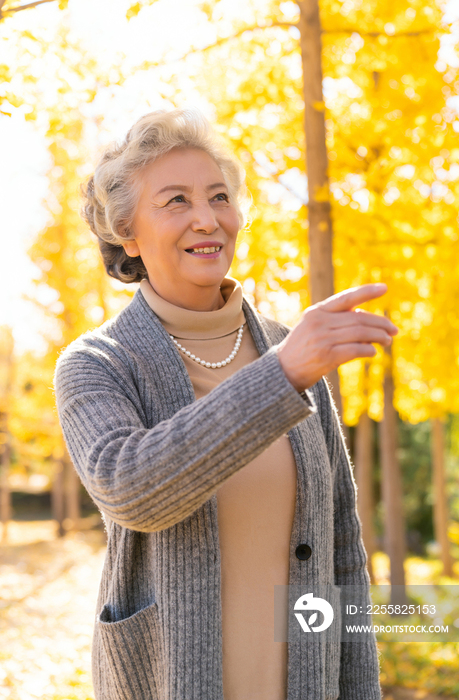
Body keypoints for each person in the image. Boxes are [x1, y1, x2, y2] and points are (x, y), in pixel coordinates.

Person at [54, 108, 398, 700]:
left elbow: (342, 545)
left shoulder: (293, 349)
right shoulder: (96, 363)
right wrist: (281, 375)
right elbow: (132, 489)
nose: (207, 219)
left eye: (218, 197)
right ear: (127, 233)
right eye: (176, 201)